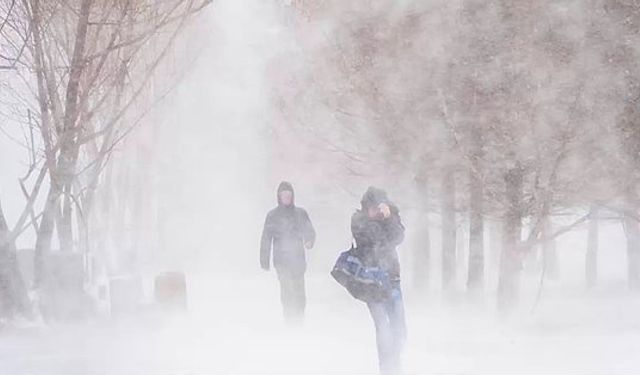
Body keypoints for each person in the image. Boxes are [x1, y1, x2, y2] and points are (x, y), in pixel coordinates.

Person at [351, 186, 406, 375]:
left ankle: (394, 365)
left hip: (392, 278)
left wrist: (390, 217)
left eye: (380, 207)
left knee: (399, 328)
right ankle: (386, 369)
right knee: (383, 328)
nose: (377, 211)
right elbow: (376, 241)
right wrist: (383, 221)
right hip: (371, 282)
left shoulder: (391, 217)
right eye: (373, 207)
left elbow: (398, 237)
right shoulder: (358, 220)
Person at [260, 181, 316, 324]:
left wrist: (309, 240)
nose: (286, 197)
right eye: (283, 195)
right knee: (287, 290)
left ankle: (299, 318)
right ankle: (289, 319)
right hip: (281, 261)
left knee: (299, 291)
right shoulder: (272, 216)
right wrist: (264, 260)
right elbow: (266, 238)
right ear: (279, 197)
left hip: (298, 260)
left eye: (289, 195)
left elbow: (310, 231)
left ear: (293, 196)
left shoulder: (300, 214)